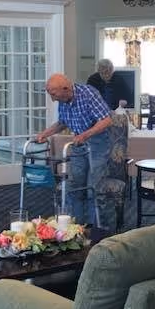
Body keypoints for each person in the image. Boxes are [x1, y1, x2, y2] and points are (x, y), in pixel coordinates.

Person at [35, 73, 112, 225]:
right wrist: (45, 134)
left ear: (65, 88)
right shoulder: (63, 99)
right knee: (75, 187)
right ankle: (77, 227)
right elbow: (62, 122)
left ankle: (98, 230)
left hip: (98, 143)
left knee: (94, 188)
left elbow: (107, 120)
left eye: (54, 94)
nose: (52, 99)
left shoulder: (89, 94)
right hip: (79, 143)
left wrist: (85, 135)